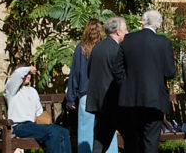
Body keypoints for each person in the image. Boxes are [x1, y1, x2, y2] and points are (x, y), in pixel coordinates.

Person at [119, 9, 177, 153]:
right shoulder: (163, 42)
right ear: (159, 25)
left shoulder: (128, 39)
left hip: (130, 99)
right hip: (154, 99)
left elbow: (119, 68)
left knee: (132, 141)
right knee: (151, 141)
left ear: (143, 22)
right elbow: (170, 72)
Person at [68, 19, 119, 153]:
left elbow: (75, 74)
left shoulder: (81, 48)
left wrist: (71, 98)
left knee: (86, 133)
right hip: (104, 95)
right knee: (107, 132)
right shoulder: (105, 48)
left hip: (86, 94)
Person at [4, 65, 71, 153]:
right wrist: (28, 69)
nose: (28, 76)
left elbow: (39, 112)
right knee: (52, 133)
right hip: (18, 127)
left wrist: (47, 121)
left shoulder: (32, 91)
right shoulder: (11, 91)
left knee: (63, 132)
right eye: (26, 74)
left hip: (32, 125)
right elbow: (17, 74)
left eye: (29, 74)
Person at [87, 16, 127, 153]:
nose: (127, 33)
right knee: (131, 137)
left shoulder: (97, 47)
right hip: (115, 102)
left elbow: (89, 72)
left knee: (99, 141)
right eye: (125, 29)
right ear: (118, 32)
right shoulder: (118, 50)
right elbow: (120, 75)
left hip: (99, 102)